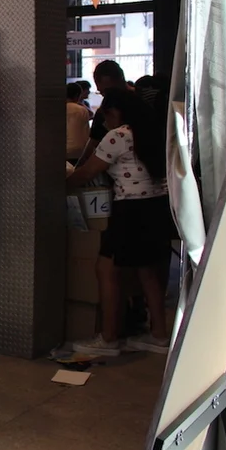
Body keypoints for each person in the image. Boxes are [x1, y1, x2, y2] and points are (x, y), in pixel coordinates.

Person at [67, 88, 174, 357]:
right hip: (157, 207)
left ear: (116, 112)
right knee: (148, 272)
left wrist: (60, 182)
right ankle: (159, 335)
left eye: (107, 116)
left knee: (106, 270)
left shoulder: (119, 136)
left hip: (130, 210)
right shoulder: (153, 132)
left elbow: (88, 172)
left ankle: (108, 338)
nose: (105, 123)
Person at [66, 83, 90, 162]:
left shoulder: (58, 109)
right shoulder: (82, 110)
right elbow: (86, 132)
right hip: (79, 151)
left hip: (63, 149)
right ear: (77, 95)